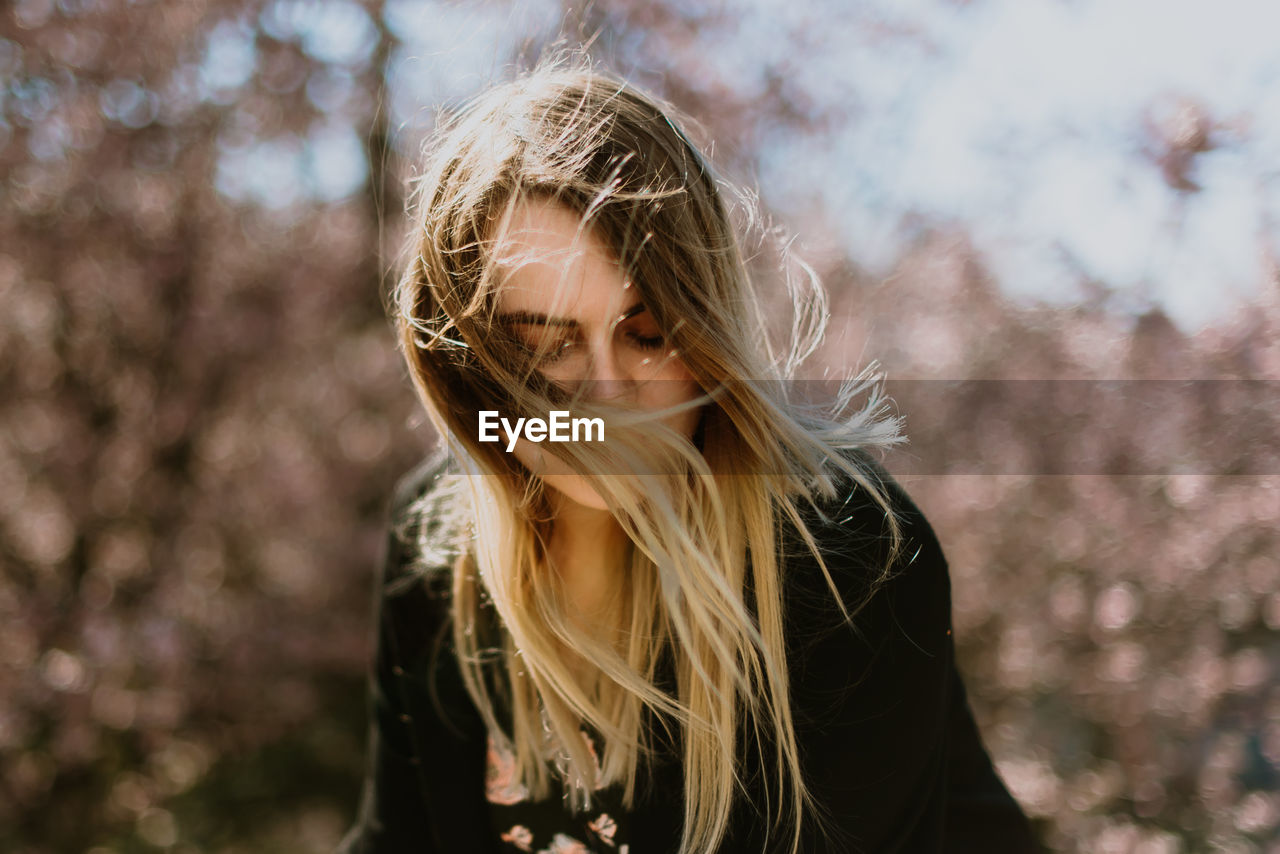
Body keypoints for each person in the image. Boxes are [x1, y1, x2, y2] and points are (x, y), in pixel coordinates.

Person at [337, 56, 1042, 854]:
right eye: (545, 346)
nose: (607, 395)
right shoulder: (435, 546)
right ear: (467, 365)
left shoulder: (853, 562)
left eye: (649, 333)